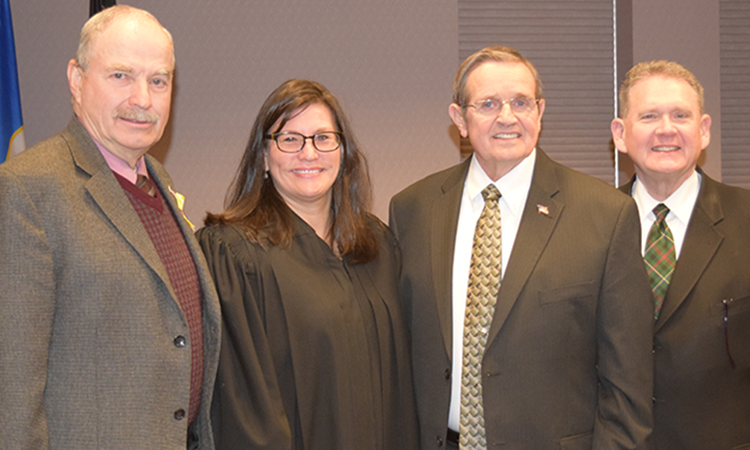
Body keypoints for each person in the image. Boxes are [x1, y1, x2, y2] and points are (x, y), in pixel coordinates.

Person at [389, 45, 655, 449]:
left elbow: (627, 384)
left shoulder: (605, 215)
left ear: (540, 111)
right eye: (488, 104)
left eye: (520, 102)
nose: (507, 117)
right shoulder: (412, 210)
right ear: (459, 119)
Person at [0, 6, 220, 450]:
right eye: (121, 76)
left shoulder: (157, 178)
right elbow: (13, 394)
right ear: (76, 79)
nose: (142, 98)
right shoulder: (27, 191)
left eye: (158, 80)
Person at [196, 79, 419, 450]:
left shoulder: (376, 244)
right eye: (290, 139)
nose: (309, 153)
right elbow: (242, 409)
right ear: (264, 156)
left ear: (343, 151)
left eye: (322, 137)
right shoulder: (234, 254)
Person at [611, 60, 750, 449]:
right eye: (650, 115)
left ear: (704, 130)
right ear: (620, 134)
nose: (666, 129)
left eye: (680, 115)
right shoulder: (587, 227)